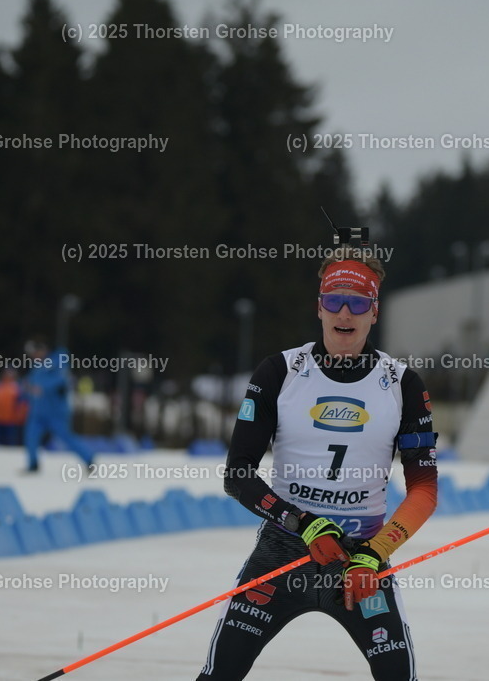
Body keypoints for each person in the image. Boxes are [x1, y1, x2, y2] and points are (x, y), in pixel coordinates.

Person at [197, 248, 438, 680]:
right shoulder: (280, 372)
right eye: (334, 300)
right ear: (319, 307)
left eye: (359, 302)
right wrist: (301, 522)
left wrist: (375, 554)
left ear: (374, 311)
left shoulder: (402, 384)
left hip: (359, 558)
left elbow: (424, 489)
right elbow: (238, 475)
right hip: (282, 553)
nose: (345, 313)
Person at [21, 337, 95, 473]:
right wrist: (25, 390)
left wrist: (41, 387)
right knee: (31, 436)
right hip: (38, 412)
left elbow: (61, 379)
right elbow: (28, 384)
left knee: (67, 437)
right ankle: (33, 464)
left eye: (35, 353)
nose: (34, 357)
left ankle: (89, 459)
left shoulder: (58, 360)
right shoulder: (37, 367)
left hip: (56, 412)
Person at [0, 368, 27, 446]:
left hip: (11, 421)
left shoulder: (18, 388)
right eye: (7, 373)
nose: (8, 375)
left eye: (10, 373)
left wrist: (19, 418)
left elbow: (22, 405)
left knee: (9, 445)